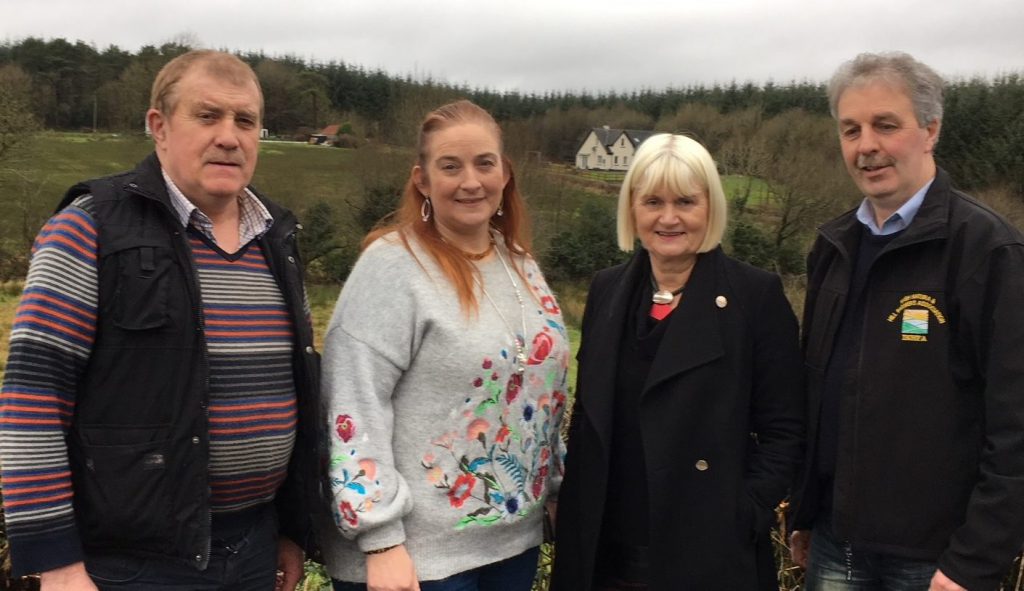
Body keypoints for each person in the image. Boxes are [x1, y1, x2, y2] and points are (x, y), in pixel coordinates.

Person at [0, 50, 325, 590]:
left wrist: (290, 529)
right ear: (159, 126)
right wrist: (55, 564)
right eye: (207, 116)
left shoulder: (276, 240)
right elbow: (32, 399)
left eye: (245, 121)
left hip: (252, 548)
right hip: (130, 564)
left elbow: (298, 389)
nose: (229, 136)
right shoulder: (88, 229)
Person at [788, 51, 1024, 591]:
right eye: (851, 129)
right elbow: (820, 388)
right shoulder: (832, 247)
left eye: (885, 125)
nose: (865, 145)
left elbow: (1016, 425)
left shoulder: (988, 251)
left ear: (930, 130)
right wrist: (806, 509)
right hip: (834, 543)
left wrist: (975, 559)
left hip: (937, 559)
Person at [318, 100, 569, 591]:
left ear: (505, 173)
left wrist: (555, 487)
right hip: (417, 560)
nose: (470, 181)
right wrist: (381, 540)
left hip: (513, 545)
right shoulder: (393, 267)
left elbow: (543, 396)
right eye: (450, 166)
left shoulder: (521, 266)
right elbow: (351, 404)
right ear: (422, 179)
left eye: (484, 163)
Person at [550, 133, 804, 590]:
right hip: (603, 548)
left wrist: (745, 511)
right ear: (632, 208)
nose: (669, 218)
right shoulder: (607, 290)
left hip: (705, 551)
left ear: (710, 207)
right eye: (653, 202)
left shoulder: (755, 297)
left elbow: (784, 428)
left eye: (686, 201)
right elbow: (588, 415)